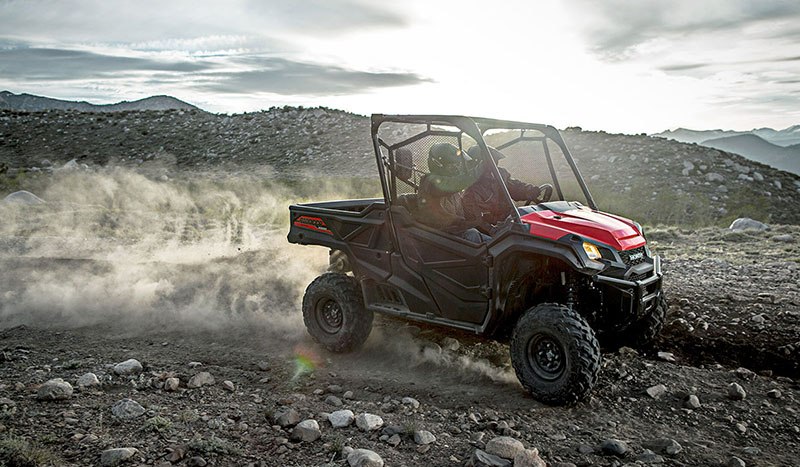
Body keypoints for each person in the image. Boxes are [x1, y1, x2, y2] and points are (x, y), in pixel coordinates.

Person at [414, 142, 490, 243]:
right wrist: (482, 166)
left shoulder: (451, 185)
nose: (456, 167)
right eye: (451, 164)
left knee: (498, 242)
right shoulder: (430, 181)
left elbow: (464, 214)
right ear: (438, 164)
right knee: (473, 235)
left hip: (455, 233)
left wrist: (487, 222)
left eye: (457, 164)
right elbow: (455, 184)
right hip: (440, 238)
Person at [462, 145, 552, 225]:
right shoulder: (472, 189)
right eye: (491, 162)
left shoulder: (500, 174)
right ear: (480, 164)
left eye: (495, 161)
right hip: (495, 230)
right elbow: (478, 221)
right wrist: (500, 225)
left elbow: (513, 187)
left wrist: (529, 190)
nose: (495, 165)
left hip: (511, 220)